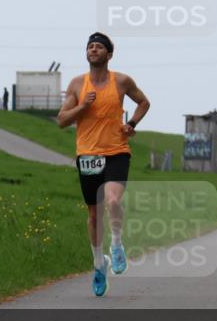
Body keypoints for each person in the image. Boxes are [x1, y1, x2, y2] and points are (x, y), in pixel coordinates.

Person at [57, 32, 150, 296]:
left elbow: (144, 102)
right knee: (94, 214)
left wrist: (131, 124)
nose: (93, 49)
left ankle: (117, 245)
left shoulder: (121, 81)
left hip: (117, 150)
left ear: (109, 54)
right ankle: (99, 265)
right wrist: (82, 107)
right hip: (87, 155)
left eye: (99, 47)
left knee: (112, 201)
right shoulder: (77, 84)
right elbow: (62, 120)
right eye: (90, 46)